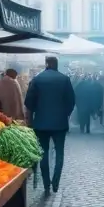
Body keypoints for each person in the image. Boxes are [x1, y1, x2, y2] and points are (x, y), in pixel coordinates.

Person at [24, 56, 76, 194]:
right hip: (60, 123)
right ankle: (56, 182)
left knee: (44, 153)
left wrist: (34, 113)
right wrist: (65, 113)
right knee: (59, 152)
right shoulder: (65, 79)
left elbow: (29, 101)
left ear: (46, 64)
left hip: (41, 123)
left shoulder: (37, 79)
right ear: (57, 65)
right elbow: (71, 101)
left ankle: (46, 183)